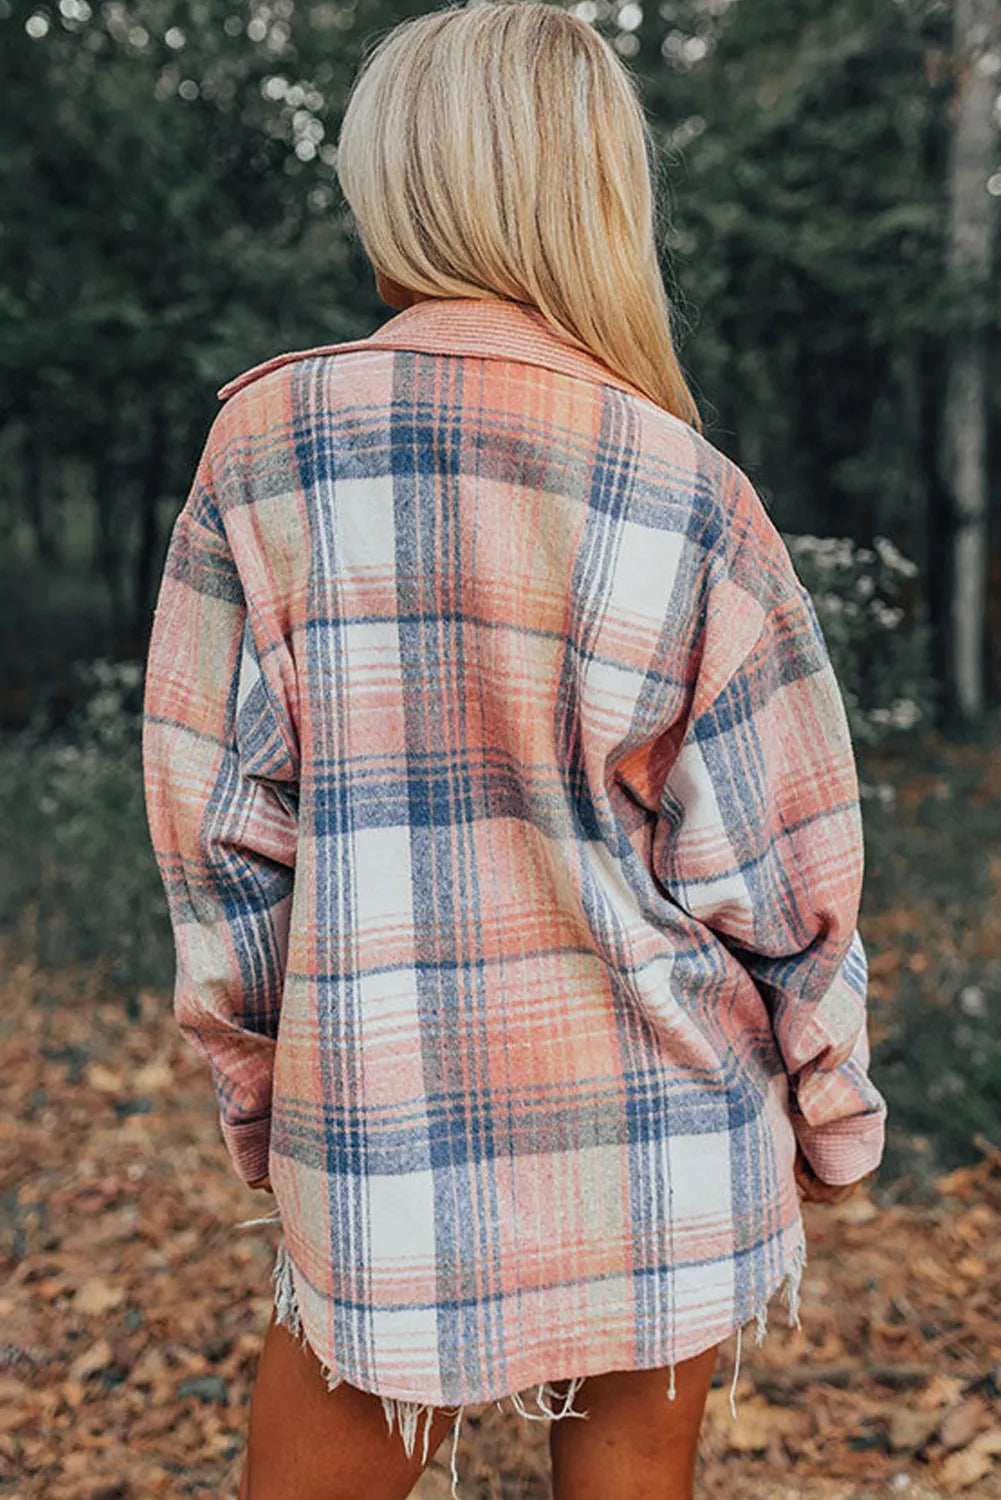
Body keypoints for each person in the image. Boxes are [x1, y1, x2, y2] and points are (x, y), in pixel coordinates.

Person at [141, 4, 887, 1497]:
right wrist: (828, 1108)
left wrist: (266, 1103)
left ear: (402, 181)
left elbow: (218, 839)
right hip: (665, 1121)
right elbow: (785, 866)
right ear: (594, 187)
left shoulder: (269, 445)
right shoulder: (688, 489)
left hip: (382, 1112)